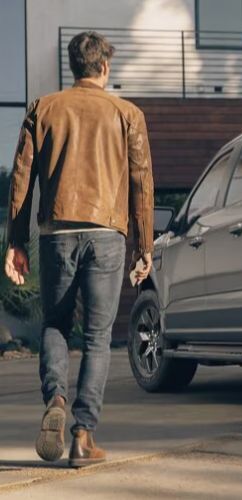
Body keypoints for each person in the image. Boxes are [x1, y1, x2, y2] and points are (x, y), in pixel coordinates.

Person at [3, 31, 154, 467]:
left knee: (54, 323)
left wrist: (15, 241)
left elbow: (20, 177)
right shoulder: (128, 114)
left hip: (56, 233)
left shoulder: (44, 108)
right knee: (97, 336)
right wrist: (144, 245)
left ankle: (56, 400)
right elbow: (141, 182)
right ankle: (83, 435)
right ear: (104, 67)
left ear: (74, 67)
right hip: (107, 233)